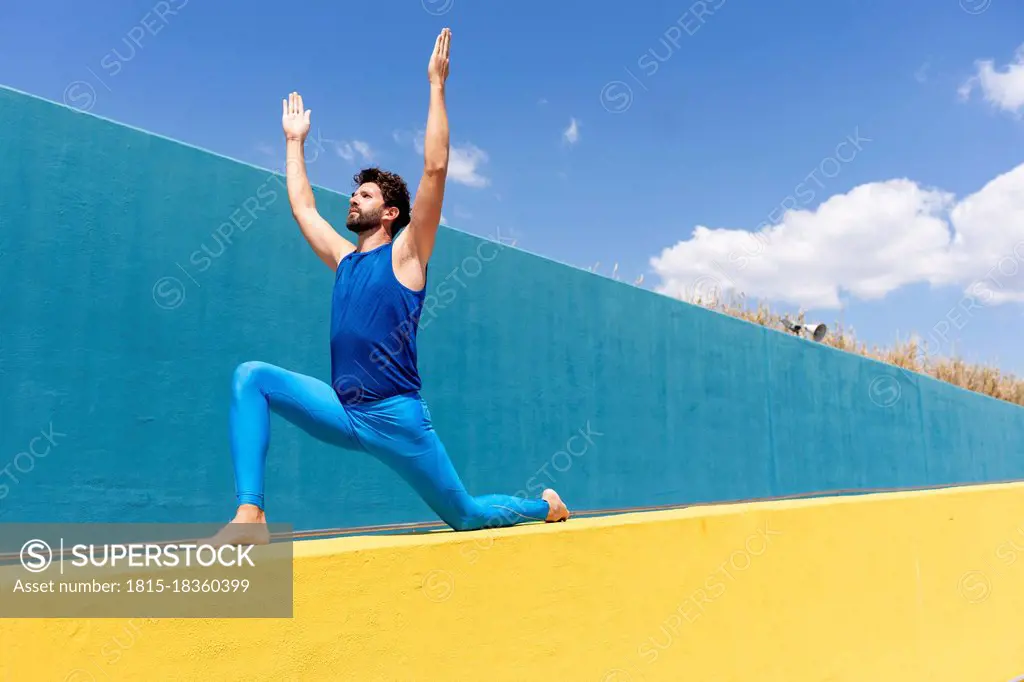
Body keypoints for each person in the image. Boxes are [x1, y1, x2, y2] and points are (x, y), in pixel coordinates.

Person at [212, 28, 568, 545]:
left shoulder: (407, 254)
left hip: (397, 416)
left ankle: (545, 505)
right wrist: (293, 144)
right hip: (344, 409)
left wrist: (436, 86)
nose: (353, 199)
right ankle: (251, 516)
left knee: (466, 515)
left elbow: (436, 167)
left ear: (392, 212)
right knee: (251, 377)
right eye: (354, 193)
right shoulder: (343, 259)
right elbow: (303, 207)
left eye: (366, 194)